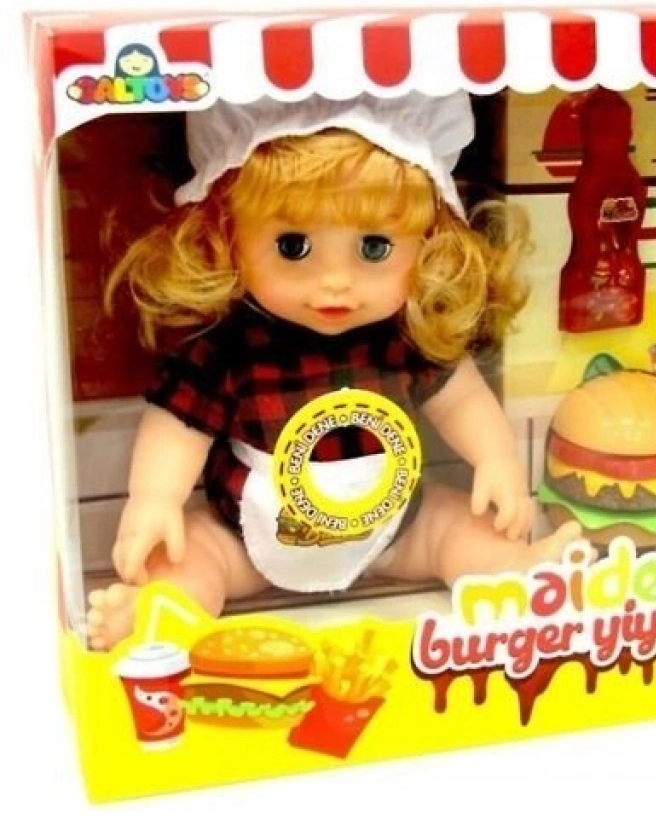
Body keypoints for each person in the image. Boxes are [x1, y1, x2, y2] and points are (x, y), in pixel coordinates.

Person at [86, 92, 581, 650]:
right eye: (293, 246)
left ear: (430, 242)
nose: (336, 281)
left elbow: (462, 398)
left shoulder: (405, 338)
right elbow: (180, 423)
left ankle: (520, 577)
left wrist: (495, 459)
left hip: (395, 530)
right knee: (193, 556)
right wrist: (155, 498)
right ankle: (162, 611)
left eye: (374, 247)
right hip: (245, 538)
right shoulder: (230, 348)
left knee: (456, 528)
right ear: (226, 235)